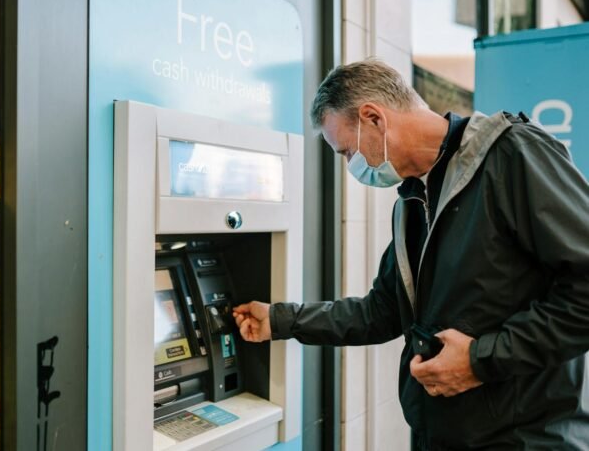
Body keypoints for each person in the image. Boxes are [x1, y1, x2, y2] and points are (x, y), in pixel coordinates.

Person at [232, 59, 589, 449]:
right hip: (443, 436)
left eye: (347, 151)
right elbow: (380, 312)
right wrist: (280, 320)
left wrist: (480, 360)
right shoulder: (413, 202)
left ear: (374, 118)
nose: (353, 165)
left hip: (524, 441)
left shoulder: (511, 156)